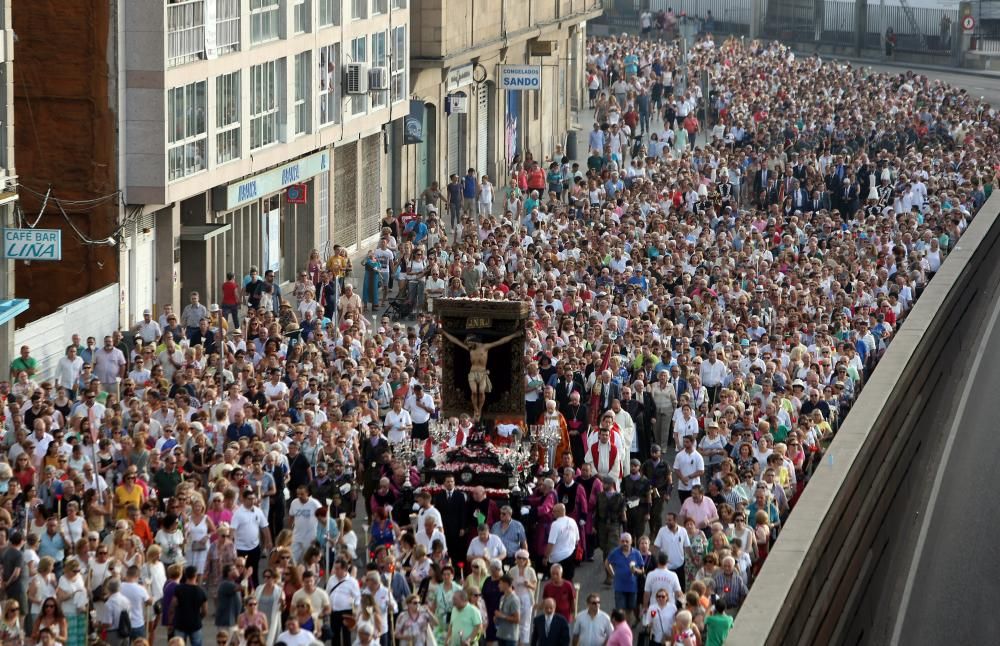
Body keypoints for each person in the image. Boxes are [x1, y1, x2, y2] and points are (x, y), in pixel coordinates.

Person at [439, 330, 522, 420]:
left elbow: (501, 341)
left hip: (482, 373)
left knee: (481, 392)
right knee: (474, 392)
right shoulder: (470, 348)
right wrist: (444, 333)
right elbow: (455, 341)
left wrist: (514, 335)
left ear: (474, 341)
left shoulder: (485, 347)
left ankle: (480, 410)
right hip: (473, 373)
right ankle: (476, 410)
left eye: (469, 342)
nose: (468, 344)